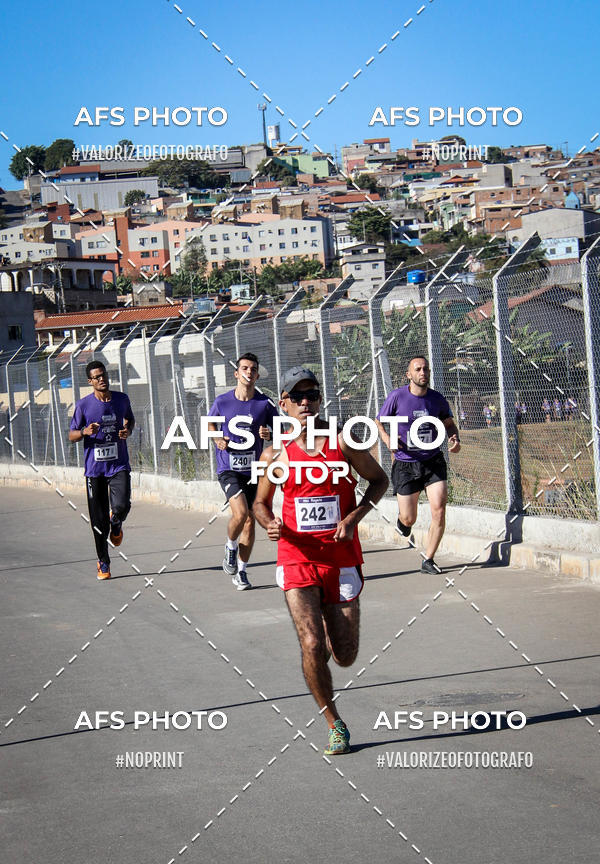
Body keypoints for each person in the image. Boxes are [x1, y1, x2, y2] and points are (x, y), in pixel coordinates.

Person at [253, 367, 388, 755]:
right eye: (298, 397)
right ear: (283, 405)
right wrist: (270, 524)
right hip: (295, 556)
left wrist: (351, 519)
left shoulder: (342, 443)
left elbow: (380, 481)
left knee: (344, 655)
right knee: (311, 643)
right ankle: (335, 724)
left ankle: (331, 638)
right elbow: (260, 504)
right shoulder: (276, 454)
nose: (306, 402)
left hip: (341, 558)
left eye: (312, 394)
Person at [374, 355, 461, 575]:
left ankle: (428, 559)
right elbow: (379, 421)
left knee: (439, 510)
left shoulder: (437, 400)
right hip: (405, 464)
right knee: (408, 517)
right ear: (409, 375)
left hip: (433, 461)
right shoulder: (397, 397)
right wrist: (386, 439)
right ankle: (403, 522)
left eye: (426, 369)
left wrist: (454, 439)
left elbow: (449, 424)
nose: (423, 373)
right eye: (418, 369)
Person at [208, 353, 279, 590]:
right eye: (245, 368)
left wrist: (269, 435)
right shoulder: (222, 402)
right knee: (240, 514)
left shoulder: (264, 404)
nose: (249, 372)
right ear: (237, 373)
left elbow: (280, 431)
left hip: (254, 469)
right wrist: (218, 437)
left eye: (253, 369)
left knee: (250, 522)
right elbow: (210, 423)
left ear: (257, 375)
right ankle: (230, 546)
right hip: (229, 467)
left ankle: (241, 572)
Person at [68, 361, 135, 580]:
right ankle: (103, 562)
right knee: (98, 522)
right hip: (94, 470)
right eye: (96, 377)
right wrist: (85, 431)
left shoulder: (121, 399)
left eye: (103, 375)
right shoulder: (84, 405)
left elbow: (130, 420)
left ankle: (116, 523)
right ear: (90, 382)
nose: (101, 379)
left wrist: (127, 430)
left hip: (118, 464)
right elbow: (71, 435)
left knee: (122, 505)